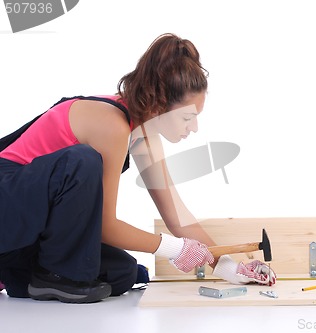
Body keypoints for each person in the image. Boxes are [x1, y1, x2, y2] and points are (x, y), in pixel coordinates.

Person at [0, 33, 276, 303]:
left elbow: (177, 216)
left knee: (123, 273)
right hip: (9, 207)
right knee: (83, 161)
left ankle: (25, 273)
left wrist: (229, 268)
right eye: (187, 117)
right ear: (159, 106)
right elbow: (106, 226)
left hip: (40, 224)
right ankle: (51, 274)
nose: (194, 127)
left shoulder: (144, 133)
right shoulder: (111, 125)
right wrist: (175, 248)